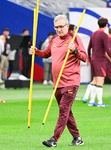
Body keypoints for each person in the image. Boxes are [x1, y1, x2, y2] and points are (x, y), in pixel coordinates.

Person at [30, 15, 87, 147]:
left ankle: (54, 139)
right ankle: (77, 138)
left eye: (61, 26)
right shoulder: (55, 40)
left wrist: (75, 50)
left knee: (63, 110)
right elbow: (46, 53)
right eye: (56, 27)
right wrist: (36, 51)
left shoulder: (74, 38)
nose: (59, 29)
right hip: (57, 83)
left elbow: (84, 57)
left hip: (71, 82)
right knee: (67, 112)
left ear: (67, 26)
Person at [82, 26, 111, 104]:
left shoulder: (94, 34)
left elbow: (89, 48)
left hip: (95, 60)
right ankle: (108, 100)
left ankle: (88, 98)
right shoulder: (107, 38)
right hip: (105, 62)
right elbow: (107, 52)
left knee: (95, 80)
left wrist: (89, 59)